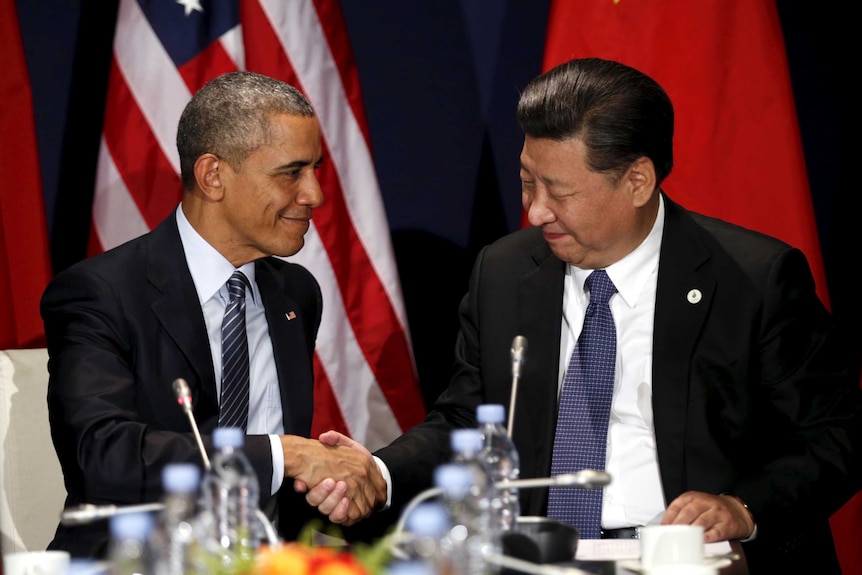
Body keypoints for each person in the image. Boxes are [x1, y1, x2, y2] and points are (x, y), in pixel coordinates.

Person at [305, 58, 862, 574]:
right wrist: (376, 472)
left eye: (559, 191)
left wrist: (742, 507)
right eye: (527, 181)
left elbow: (835, 436)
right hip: (537, 558)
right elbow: (468, 418)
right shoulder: (503, 271)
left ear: (637, 181)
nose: (535, 209)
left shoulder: (752, 278)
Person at [40, 71, 384, 558]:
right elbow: (103, 455)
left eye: (316, 169)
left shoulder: (296, 294)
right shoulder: (102, 293)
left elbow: (275, 492)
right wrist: (284, 454)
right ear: (213, 176)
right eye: (291, 172)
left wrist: (335, 488)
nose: (315, 194)